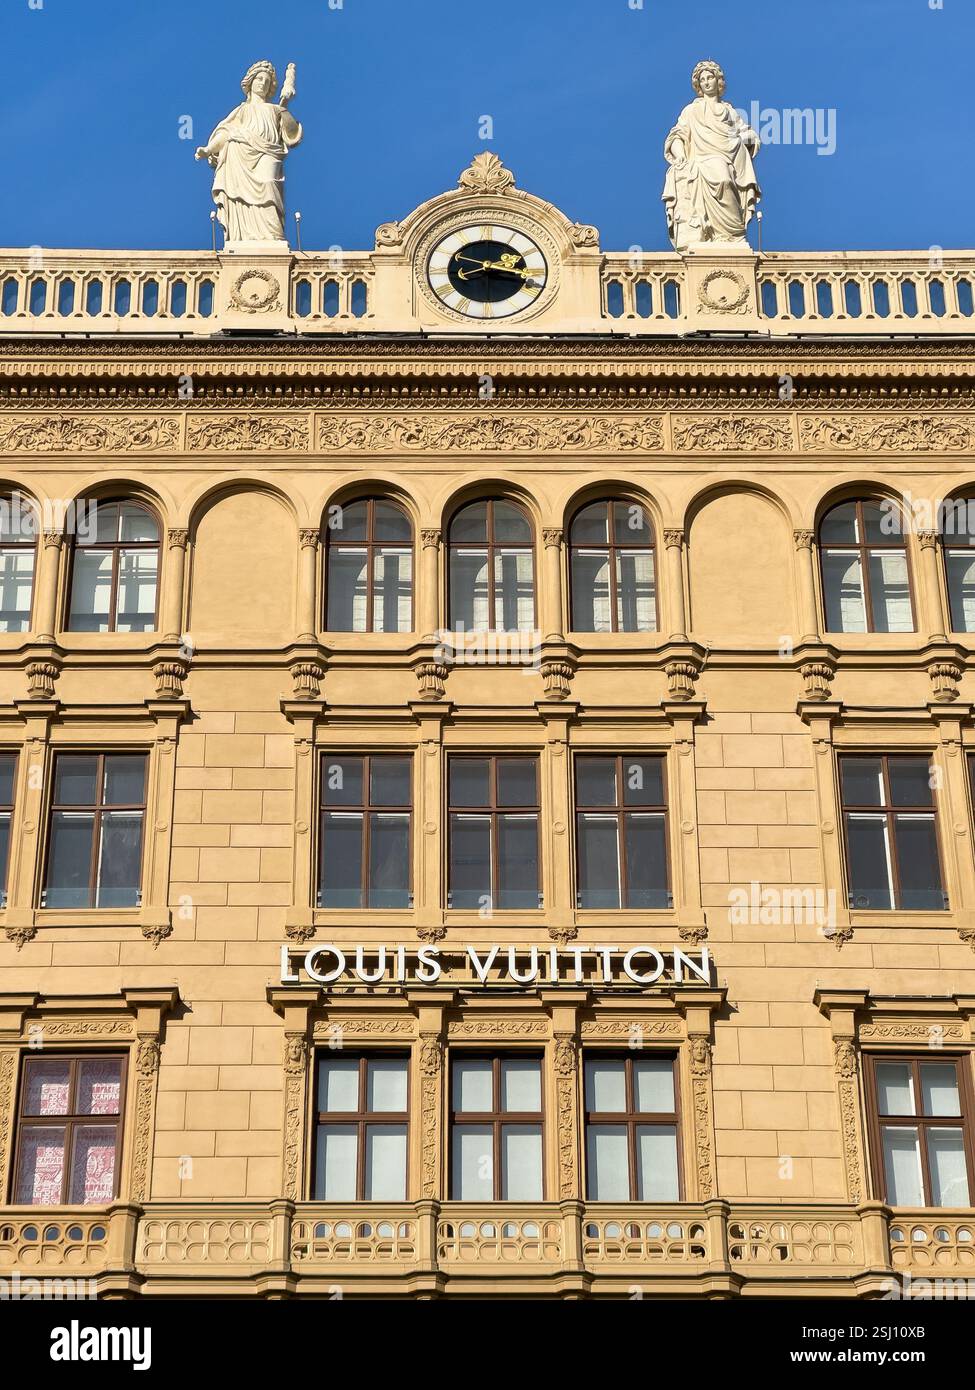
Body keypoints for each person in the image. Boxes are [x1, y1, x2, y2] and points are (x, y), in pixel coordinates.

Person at [195, 60, 302, 246]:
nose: (263, 83)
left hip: (269, 153)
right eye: (259, 79)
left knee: (269, 184)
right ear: (250, 82)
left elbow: (292, 134)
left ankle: (271, 236)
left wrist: (284, 107)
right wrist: (208, 150)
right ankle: (243, 238)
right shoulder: (241, 110)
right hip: (240, 156)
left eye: (267, 81)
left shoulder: (275, 109)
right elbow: (226, 133)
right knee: (239, 199)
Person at [662, 61, 760, 252]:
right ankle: (714, 236)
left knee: (725, 179)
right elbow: (677, 135)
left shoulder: (729, 111)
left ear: (718, 80)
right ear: (698, 85)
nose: (706, 82)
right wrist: (681, 155)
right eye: (702, 79)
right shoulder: (692, 110)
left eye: (710, 77)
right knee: (720, 178)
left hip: (727, 158)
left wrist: (746, 138)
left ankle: (731, 236)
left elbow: (747, 134)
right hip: (701, 160)